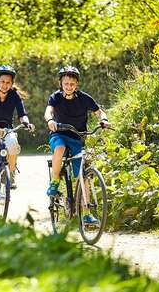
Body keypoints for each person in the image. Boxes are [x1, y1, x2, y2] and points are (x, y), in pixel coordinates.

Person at [44, 66, 112, 225]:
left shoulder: (84, 98)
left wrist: (104, 119)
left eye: (72, 84)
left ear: (77, 85)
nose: (69, 86)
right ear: (61, 83)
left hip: (78, 138)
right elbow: (48, 111)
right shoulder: (56, 97)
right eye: (66, 83)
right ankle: (54, 181)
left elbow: (99, 112)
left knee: (83, 176)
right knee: (59, 149)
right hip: (59, 134)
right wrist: (50, 121)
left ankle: (86, 212)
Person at [0, 65, 34, 189]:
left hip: (6, 131)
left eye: (8, 82)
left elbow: (22, 114)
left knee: (13, 145)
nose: (5, 85)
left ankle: (11, 172)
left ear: (12, 83)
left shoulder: (14, 95)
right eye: (2, 81)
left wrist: (26, 122)